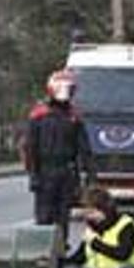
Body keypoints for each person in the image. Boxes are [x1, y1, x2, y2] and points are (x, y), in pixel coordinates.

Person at [25, 69, 94, 245]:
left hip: (67, 171)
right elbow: (30, 148)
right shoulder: (38, 116)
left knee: (63, 215)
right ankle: (42, 249)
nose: (68, 93)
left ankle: (60, 247)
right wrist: (33, 175)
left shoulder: (74, 117)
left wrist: (90, 175)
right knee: (44, 215)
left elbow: (84, 149)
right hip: (45, 171)